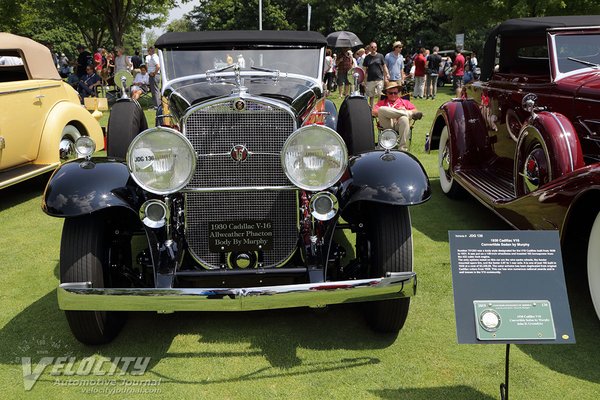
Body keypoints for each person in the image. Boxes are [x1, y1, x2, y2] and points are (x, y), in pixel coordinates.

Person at [372, 81, 423, 151]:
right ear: (386, 93)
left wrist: (403, 109)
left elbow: (416, 112)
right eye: (390, 93)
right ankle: (407, 113)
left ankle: (402, 148)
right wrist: (391, 111)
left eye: (395, 93)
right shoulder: (383, 102)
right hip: (387, 124)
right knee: (381, 109)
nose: (393, 95)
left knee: (404, 119)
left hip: (399, 124)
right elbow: (373, 112)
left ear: (398, 93)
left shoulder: (404, 102)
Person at [363, 41, 389, 107]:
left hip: (379, 79)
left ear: (376, 48)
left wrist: (387, 74)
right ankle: (371, 108)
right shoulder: (367, 58)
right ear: (370, 48)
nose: (374, 48)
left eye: (375, 47)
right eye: (372, 47)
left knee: (380, 94)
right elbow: (364, 70)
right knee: (371, 96)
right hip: (370, 80)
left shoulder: (380, 56)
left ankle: (378, 108)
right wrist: (364, 80)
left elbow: (384, 66)